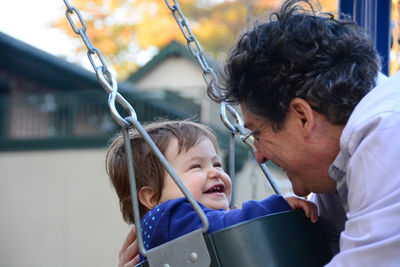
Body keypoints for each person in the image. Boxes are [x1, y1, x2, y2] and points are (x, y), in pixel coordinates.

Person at [118, 0, 400, 266]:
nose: (260, 155)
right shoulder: (336, 165)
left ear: (302, 117)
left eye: (258, 133)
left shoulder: (386, 133)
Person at [106, 120, 318, 264]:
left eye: (217, 164)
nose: (214, 173)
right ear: (151, 197)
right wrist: (274, 207)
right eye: (196, 167)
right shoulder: (169, 216)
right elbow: (220, 226)